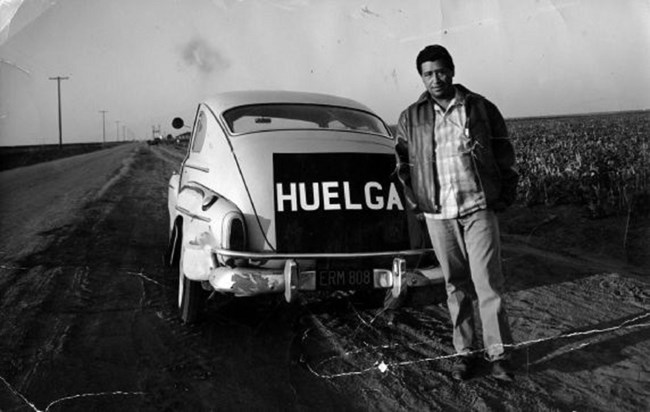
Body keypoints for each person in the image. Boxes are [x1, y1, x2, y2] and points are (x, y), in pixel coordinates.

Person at [394, 44, 518, 382]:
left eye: (440, 71)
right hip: (439, 214)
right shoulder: (411, 116)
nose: (435, 79)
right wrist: (417, 202)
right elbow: (402, 163)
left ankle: (499, 354)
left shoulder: (479, 107)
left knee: (488, 283)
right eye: (427, 74)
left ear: (452, 70)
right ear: (421, 77)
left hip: (478, 207)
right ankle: (464, 354)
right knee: (455, 285)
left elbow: (504, 152)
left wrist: (503, 196)